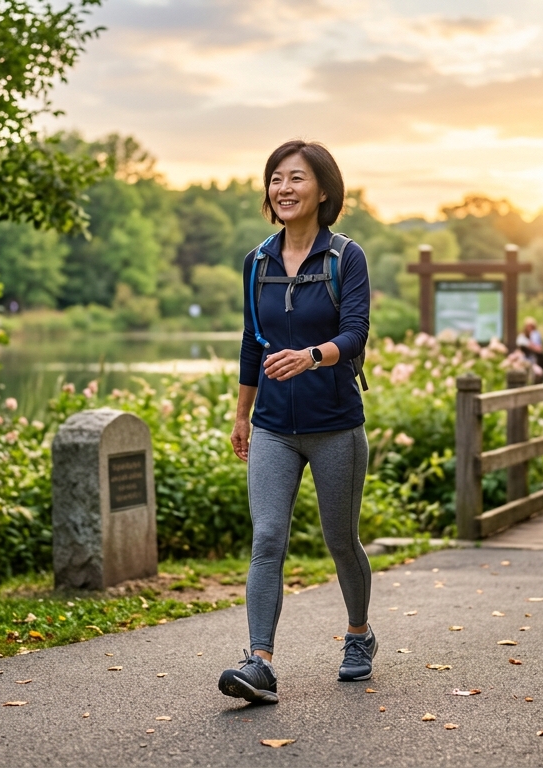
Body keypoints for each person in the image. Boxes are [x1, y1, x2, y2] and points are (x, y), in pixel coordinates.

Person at [225, 140, 374, 704]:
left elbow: (355, 334)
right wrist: (242, 413)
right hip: (271, 428)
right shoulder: (257, 262)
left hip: (335, 423)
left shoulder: (345, 257)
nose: (283, 189)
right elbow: (249, 341)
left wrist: (312, 355)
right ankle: (258, 661)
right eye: (276, 179)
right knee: (267, 537)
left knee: (341, 540)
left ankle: (359, 634)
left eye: (296, 179)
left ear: (324, 190)